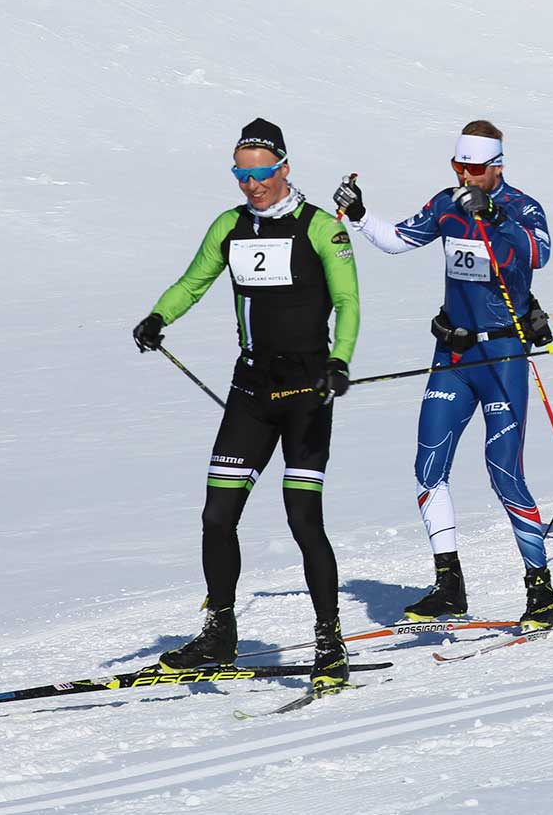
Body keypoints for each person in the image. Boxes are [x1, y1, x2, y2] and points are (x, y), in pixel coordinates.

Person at [132, 120, 358, 692]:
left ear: (284, 167)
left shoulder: (321, 229)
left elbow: (348, 302)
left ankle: (329, 641)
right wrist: (160, 316)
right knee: (216, 516)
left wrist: (340, 361)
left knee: (303, 518)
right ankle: (220, 631)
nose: (251, 184)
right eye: (241, 173)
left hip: (308, 393)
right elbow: (193, 282)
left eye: (261, 172)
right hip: (252, 392)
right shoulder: (229, 227)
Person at [334, 121, 553, 627]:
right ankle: (449, 585)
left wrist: (496, 216)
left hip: (502, 354)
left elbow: (539, 253)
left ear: (497, 167)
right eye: (458, 166)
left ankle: (540, 591)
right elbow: (395, 241)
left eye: (475, 168)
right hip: (453, 357)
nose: (464, 175)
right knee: (428, 465)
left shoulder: (523, 206)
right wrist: (360, 212)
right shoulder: (446, 203)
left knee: (504, 470)